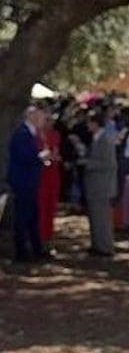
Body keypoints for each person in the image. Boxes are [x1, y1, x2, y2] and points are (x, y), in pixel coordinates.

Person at [6, 106, 46, 262]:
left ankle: (35, 248)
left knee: (32, 215)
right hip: (22, 181)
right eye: (41, 117)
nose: (43, 121)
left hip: (29, 181)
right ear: (32, 117)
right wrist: (40, 157)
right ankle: (21, 251)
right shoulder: (22, 134)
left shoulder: (31, 134)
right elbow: (24, 156)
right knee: (22, 216)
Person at [83, 110, 117, 256]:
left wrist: (88, 163)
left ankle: (105, 247)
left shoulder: (105, 140)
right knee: (95, 217)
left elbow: (109, 163)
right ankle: (97, 244)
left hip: (102, 186)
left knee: (102, 218)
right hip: (94, 185)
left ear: (95, 123)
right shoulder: (96, 139)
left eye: (89, 122)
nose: (87, 126)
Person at [36, 111, 63, 249]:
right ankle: (39, 240)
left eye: (50, 120)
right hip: (40, 176)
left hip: (52, 174)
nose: (48, 123)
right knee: (40, 209)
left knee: (50, 209)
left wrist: (53, 157)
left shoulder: (54, 134)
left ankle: (47, 239)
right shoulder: (35, 135)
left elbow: (56, 153)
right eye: (46, 120)